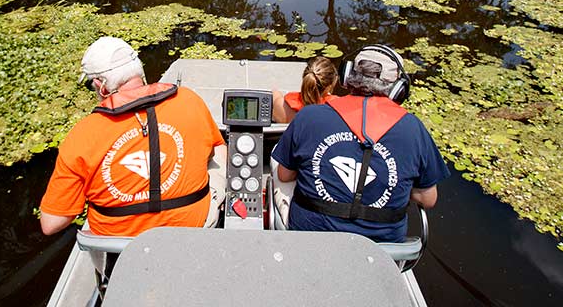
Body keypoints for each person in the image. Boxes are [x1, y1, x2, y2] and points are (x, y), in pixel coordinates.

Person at [40, 36, 227, 237]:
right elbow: (219, 148)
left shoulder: (82, 135)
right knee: (218, 152)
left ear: (100, 85)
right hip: (192, 229)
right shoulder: (188, 100)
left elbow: (51, 224)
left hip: (119, 246)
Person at [271, 45, 450, 243]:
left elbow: (284, 175)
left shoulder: (309, 116)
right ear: (399, 88)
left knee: (277, 161)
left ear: (348, 76)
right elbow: (428, 199)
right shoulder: (413, 128)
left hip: (311, 241)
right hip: (383, 251)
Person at [272, 56, 339, 123]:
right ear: (329, 87)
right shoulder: (338, 109)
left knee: (275, 93)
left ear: (305, 78)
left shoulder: (282, 106)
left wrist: (276, 96)